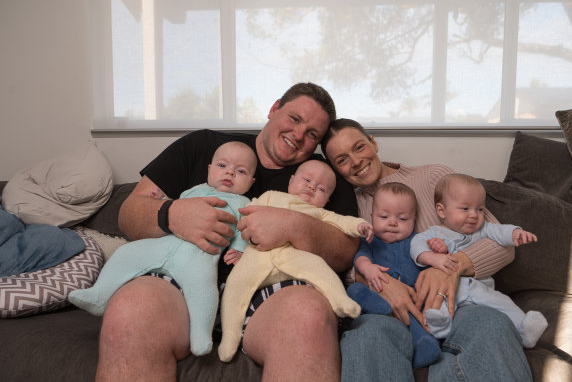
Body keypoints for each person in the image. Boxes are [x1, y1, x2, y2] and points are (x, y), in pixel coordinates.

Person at [100, 83, 360, 381]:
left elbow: (346, 251)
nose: (299, 135)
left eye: (312, 133)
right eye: (295, 119)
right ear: (274, 109)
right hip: (177, 284)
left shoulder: (320, 176)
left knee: (308, 315)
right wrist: (172, 214)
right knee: (131, 308)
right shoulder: (202, 146)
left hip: (273, 295)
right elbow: (129, 213)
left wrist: (294, 225)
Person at [321, 118, 533, 381]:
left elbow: (502, 245)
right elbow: (341, 268)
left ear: (373, 142)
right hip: (394, 314)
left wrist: (449, 268)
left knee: (492, 326)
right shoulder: (347, 207)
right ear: (335, 169)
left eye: (359, 147)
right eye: (341, 160)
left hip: (459, 304)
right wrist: (380, 281)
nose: (355, 161)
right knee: (366, 338)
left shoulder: (433, 176)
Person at [69, 141, 256, 356]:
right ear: (209, 170)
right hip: (162, 244)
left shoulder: (244, 204)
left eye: (240, 171)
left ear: (250, 182)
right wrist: (161, 201)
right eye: (222, 166)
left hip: (200, 257)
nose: (230, 172)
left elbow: (243, 229)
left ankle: (201, 336)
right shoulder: (196, 190)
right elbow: (175, 208)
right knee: (126, 253)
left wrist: (240, 250)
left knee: (204, 289)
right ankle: (98, 295)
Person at [219, 159, 373, 361]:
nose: (311, 187)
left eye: (321, 189)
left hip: (294, 258)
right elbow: (244, 220)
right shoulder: (270, 197)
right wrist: (240, 251)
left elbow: (342, 222)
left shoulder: (319, 213)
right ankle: (229, 336)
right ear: (291, 181)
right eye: (307, 180)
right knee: (235, 285)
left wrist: (359, 226)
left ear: (327, 200)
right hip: (257, 256)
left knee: (319, 268)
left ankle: (341, 301)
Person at [410, 173, 547, 348]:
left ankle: (525, 330)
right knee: (440, 304)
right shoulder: (434, 234)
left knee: (504, 302)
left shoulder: (482, 230)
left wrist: (515, 233)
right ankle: (440, 326)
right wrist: (433, 257)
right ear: (441, 210)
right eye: (465, 209)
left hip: (481, 290)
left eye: (480, 209)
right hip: (450, 291)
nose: (474, 215)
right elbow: (416, 245)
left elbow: (499, 231)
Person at [346, 182, 441, 368]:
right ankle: (382, 309)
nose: (392, 222)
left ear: (414, 219)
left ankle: (423, 344)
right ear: (372, 217)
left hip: (412, 299)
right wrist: (368, 269)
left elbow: (431, 259)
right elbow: (360, 258)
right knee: (355, 290)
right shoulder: (369, 240)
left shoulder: (417, 240)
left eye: (403, 218)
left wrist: (438, 248)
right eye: (384, 216)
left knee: (417, 317)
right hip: (378, 292)